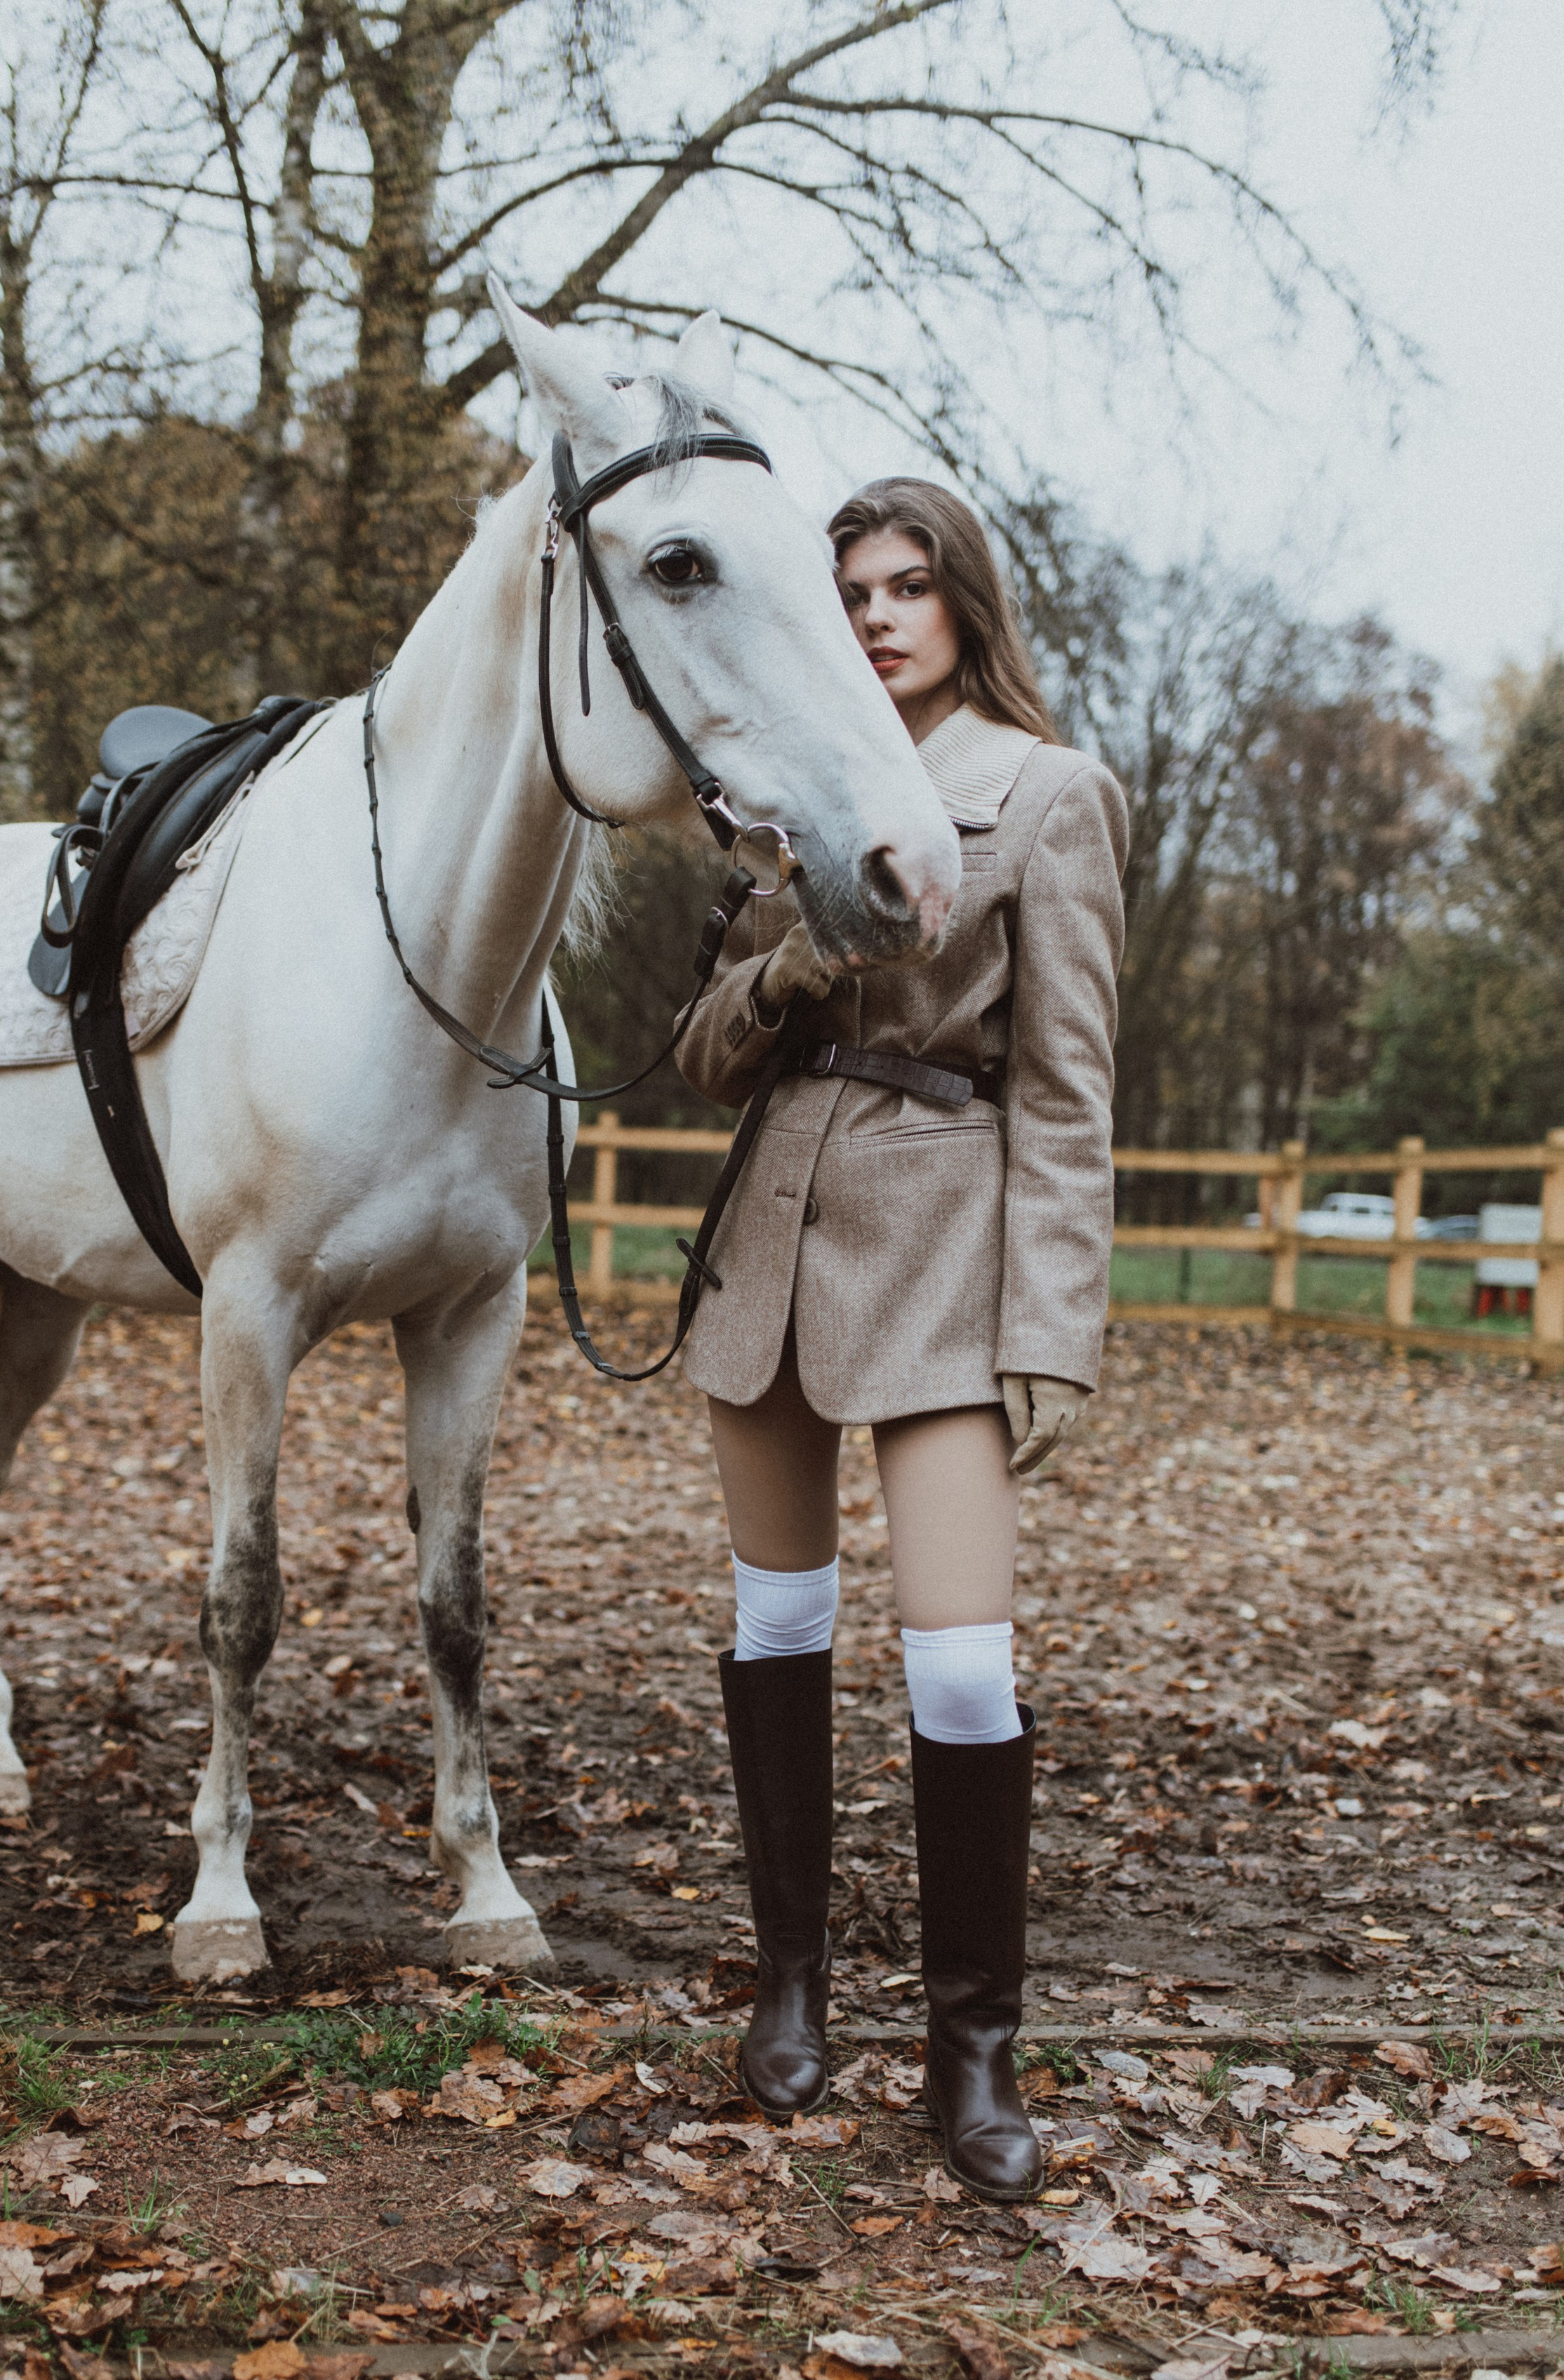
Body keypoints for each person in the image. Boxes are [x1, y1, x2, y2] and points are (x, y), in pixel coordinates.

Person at [676, 478, 1126, 2202]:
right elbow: (707, 1047)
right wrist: (784, 970)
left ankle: (971, 2045)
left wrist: (1055, 1325)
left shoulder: (1050, 792)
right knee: (777, 1617)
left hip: (948, 1240)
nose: (874, 615)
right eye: (849, 588)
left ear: (964, 606)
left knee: (955, 1664)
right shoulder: (787, 784)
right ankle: (791, 1979)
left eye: (906, 586)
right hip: (774, 1232)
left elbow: (1070, 1087)